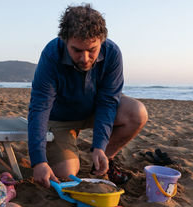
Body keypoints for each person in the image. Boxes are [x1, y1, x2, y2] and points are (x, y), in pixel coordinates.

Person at [28, 4, 148, 188]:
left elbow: (108, 102)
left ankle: (103, 160)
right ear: (64, 40)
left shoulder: (112, 53)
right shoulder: (51, 55)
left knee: (137, 112)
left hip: (94, 110)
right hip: (60, 118)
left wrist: (99, 146)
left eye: (92, 49)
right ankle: (65, 153)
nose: (85, 58)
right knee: (66, 173)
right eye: (77, 50)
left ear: (102, 40)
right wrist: (38, 162)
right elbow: (39, 109)